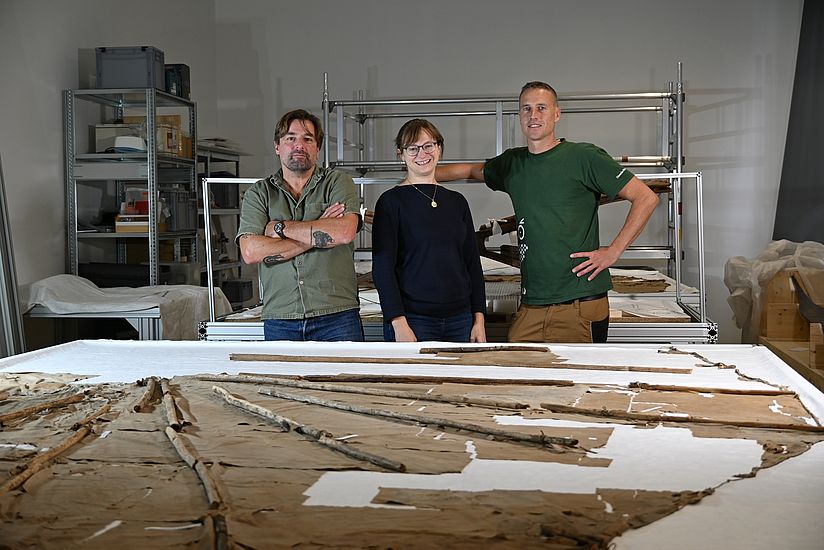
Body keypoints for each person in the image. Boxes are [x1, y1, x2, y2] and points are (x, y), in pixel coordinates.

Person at [436, 81, 659, 343]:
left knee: (577, 372)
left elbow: (646, 197)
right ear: (519, 115)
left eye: (541, 108)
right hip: (532, 304)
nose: (533, 115)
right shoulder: (513, 163)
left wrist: (614, 251)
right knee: (517, 368)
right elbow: (470, 170)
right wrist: (421, 173)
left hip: (578, 302)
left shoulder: (583, 157)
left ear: (557, 113)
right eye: (526, 108)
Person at [236, 109, 364, 341]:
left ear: (317, 147)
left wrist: (280, 228)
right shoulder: (259, 193)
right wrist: (319, 229)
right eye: (290, 138)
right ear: (277, 146)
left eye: (308, 139)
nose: (299, 145)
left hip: (336, 316)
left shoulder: (338, 182)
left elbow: (344, 233)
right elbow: (251, 252)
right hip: (281, 316)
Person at [372, 119, 487, 343]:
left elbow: (472, 264)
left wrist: (479, 320)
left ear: (439, 148)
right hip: (413, 320)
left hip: (461, 319)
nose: (422, 154)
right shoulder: (391, 202)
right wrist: (398, 323)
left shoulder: (457, 202)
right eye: (412, 148)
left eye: (428, 145)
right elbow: (383, 269)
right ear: (401, 154)